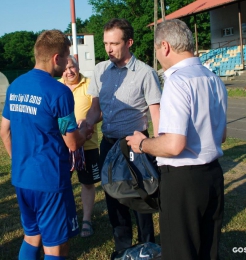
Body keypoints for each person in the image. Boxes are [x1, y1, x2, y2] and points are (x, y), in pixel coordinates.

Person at [126, 19, 227, 260]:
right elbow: (220, 135)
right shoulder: (213, 78)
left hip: (184, 181)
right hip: (213, 175)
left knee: (180, 251)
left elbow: (173, 145)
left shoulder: (177, 81)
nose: (158, 55)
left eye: (156, 49)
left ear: (165, 46)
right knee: (208, 249)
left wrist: (142, 143)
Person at [0, 30, 92, 260]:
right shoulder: (59, 91)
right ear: (56, 58)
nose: (68, 63)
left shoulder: (15, 86)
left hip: (22, 178)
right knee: (55, 246)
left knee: (31, 236)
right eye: (67, 56)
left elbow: (4, 132)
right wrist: (85, 130)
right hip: (49, 180)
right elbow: (72, 142)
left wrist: (20, 161)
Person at [86, 18, 162, 257]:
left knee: (141, 198)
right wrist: (85, 125)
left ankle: (147, 247)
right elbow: (95, 110)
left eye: (114, 43)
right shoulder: (99, 71)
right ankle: (123, 249)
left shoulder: (146, 73)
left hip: (135, 147)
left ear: (129, 42)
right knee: (113, 198)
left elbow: (156, 114)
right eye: (106, 43)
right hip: (109, 145)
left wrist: (157, 150)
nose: (108, 48)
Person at [58, 55, 100, 238]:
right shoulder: (57, 86)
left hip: (88, 145)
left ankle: (87, 220)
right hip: (62, 146)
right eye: (65, 68)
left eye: (72, 67)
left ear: (78, 65)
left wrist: (88, 123)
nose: (69, 71)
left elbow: (100, 111)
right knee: (61, 183)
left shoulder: (91, 84)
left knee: (88, 184)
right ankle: (65, 219)